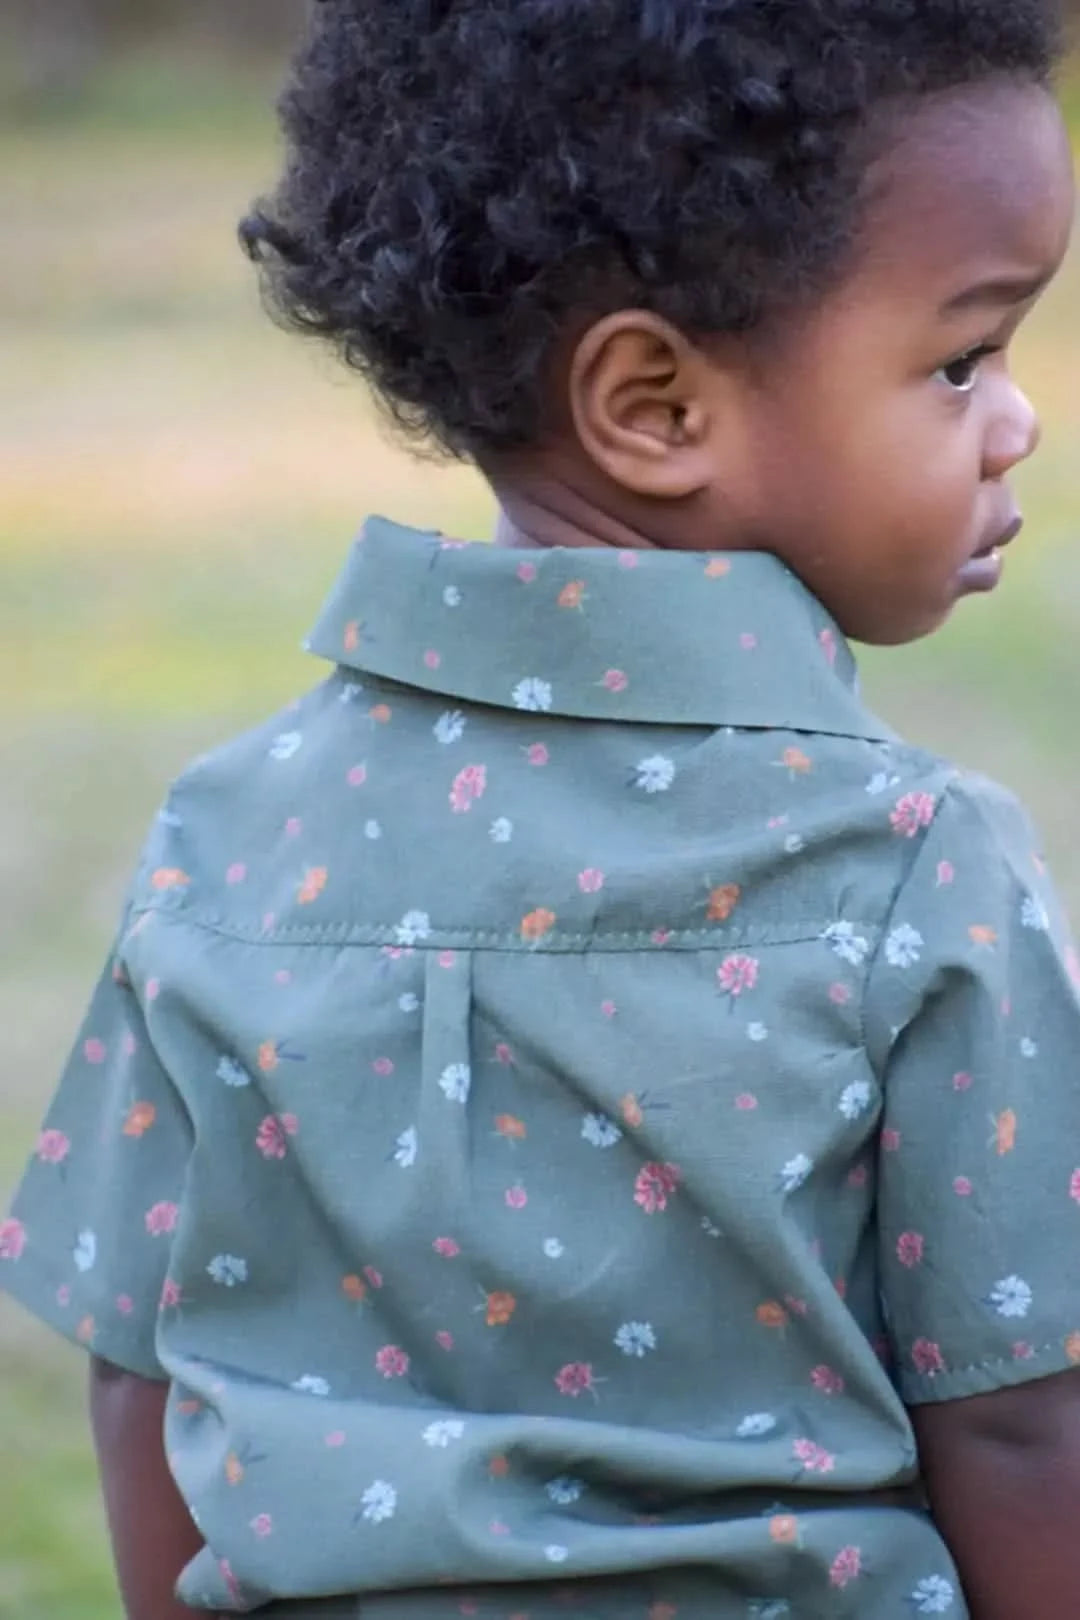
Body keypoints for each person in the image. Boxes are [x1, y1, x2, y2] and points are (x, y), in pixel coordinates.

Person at [3, 1, 1079, 1615]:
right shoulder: (912, 868)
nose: (1018, 419)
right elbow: (1021, 1417)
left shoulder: (226, 837)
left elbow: (143, 1362)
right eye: (961, 357)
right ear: (654, 406)